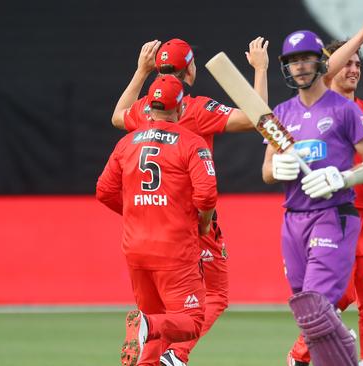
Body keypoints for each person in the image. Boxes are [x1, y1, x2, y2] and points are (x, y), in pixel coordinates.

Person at [110, 37, 269, 366]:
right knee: (214, 296)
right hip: (193, 220)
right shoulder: (195, 109)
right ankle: (175, 354)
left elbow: (117, 117)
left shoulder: (145, 110)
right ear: (191, 70)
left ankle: (153, 357)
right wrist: (260, 69)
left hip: (149, 225)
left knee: (156, 309)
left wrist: (140, 73)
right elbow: (258, 119)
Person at [262, 28, 363, 366]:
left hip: (339, 214)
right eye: (292, 62)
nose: (300, 67)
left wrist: (342, 176)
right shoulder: (282, 113)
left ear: (320, 63)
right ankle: (330, 345)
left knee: (337, 301)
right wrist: (280, 168)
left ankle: (355, 355)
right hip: (295, 219)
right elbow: (266, 171)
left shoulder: (349, 111)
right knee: (308, 306)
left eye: (306, 59)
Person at [96, 76, 218, 366]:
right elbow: (207, 196)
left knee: (153, 321)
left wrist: (139, 212)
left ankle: (146, 332)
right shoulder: (192, 143)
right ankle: (146, 326)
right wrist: (202, 224)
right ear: (179, 110)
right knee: (191, 321)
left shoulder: (126, 142)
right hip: (174, 248)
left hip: (136, 248)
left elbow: (104, 191)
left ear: (149, 107)